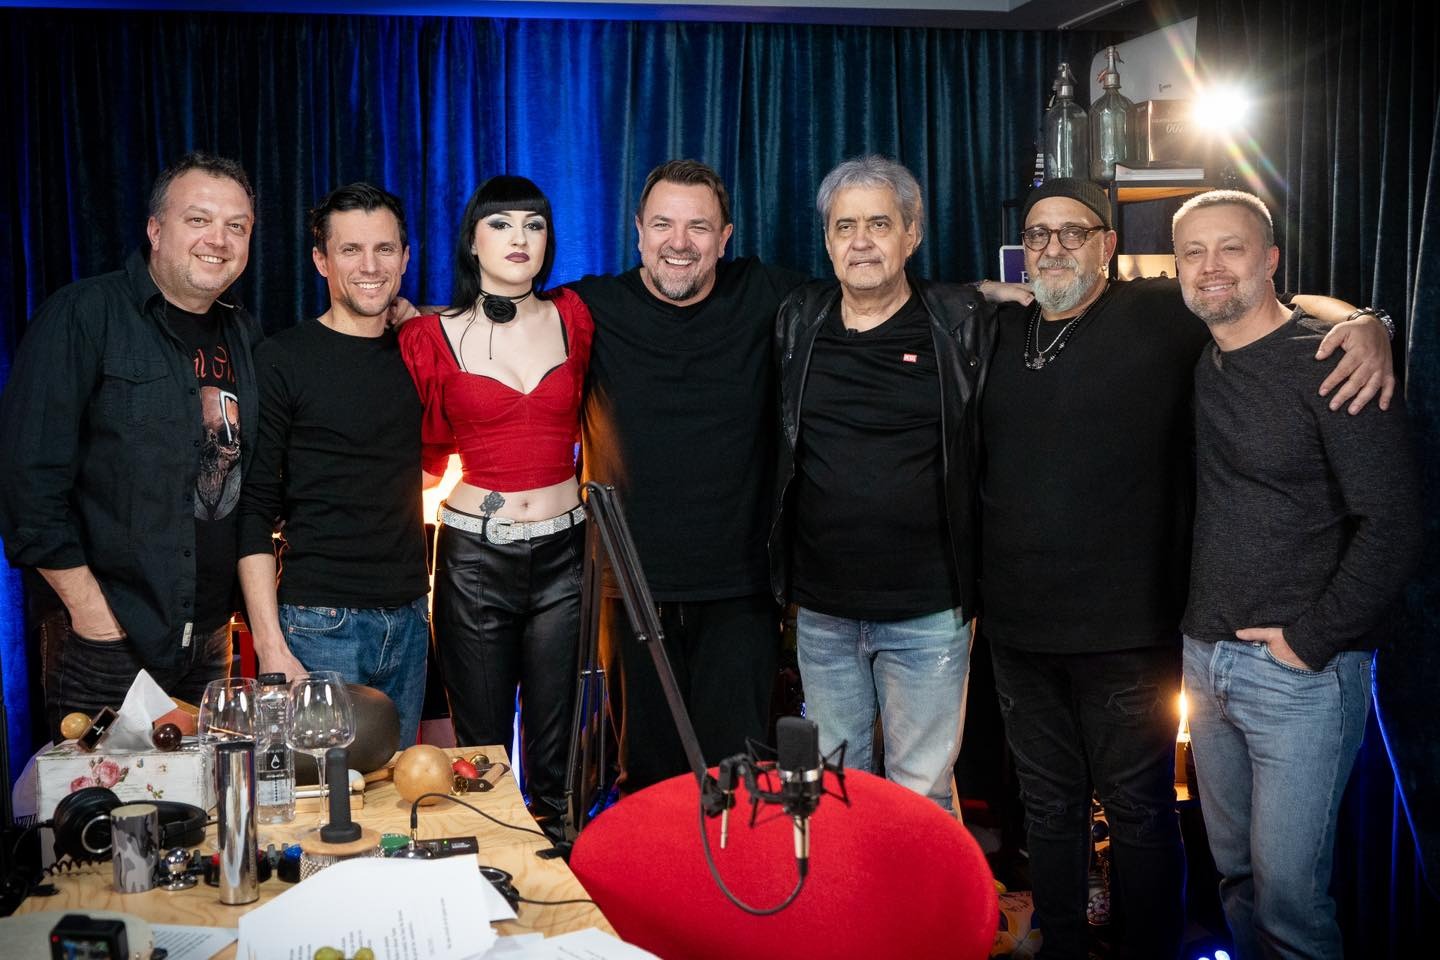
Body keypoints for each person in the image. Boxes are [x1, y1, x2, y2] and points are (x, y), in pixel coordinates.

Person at [977, 178, 1394, 960]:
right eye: (1038, 234)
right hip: (1029, 631)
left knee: (1149, 816)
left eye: (1074, 232)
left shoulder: (1163, 312)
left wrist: (1369, 322)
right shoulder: (997, 329)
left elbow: (1283, 304)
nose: (1054, 247)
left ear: (1109, 246)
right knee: (1056, 810)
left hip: (1140, 631)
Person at [1173, 190, 1422, 960]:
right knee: (1237, 878)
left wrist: (1309, 643)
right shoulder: (1206, 359)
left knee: (1290, 905)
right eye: (1193, 252)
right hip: (1206, 661)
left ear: (1271, 259)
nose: (1211, 266)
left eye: (1232, 247)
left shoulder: (1331, 361)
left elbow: (1394, 523)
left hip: (1301, 677)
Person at [0, 152, 260, 740]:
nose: (218, 239)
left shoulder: (243, 332)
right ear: (155, 229)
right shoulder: (84, 315)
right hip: (108, 644)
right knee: (105, 798)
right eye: (198, 219)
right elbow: (27, 482)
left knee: (204, 798)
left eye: (237, 226)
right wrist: (93, 616)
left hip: (210, 643)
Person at [570, 160, 807, 793]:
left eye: (698, 227)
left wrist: (982, 295)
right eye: (663, 225)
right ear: (638, 232)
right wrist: (408, 315)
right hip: (629, 587)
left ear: (724, 238)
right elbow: (499, 321)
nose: (679, 243)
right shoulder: (593, 307)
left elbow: (872, 293)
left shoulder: (765, 293)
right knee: (648, 781)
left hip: (740, 588)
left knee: (737, 780)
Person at [769, 156, 991, 809]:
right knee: (836, 792)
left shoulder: (961, 322)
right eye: (845, 226)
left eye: (879, 224)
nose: (861, 241)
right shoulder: (798, 319)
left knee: (920, 794)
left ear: (911, 234)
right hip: (824, 611)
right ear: (827, 240)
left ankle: (923, 886)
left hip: (928, 610)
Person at [399, 175, 593, 823]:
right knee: (481, 751)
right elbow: (413, 452)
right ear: (472, 241)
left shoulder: (574, 317)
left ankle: (560, 861)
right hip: (475, 559)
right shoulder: (428, 337)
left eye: (534, 225)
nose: (520, 237)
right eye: (502, 223)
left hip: (566, 553)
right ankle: (488, 864)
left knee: (557, 752)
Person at [237, 182, 430, 746]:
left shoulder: (420, 352)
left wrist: (420, 319)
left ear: (405, 257)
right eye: (350, 250)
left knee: (398, 789)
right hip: (319, 623)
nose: (370, 266)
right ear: (322, 260)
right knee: (321, 790)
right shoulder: (283, 358)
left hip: (410, 620)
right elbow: (252, 508)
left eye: (384, 249)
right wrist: (270, 645)